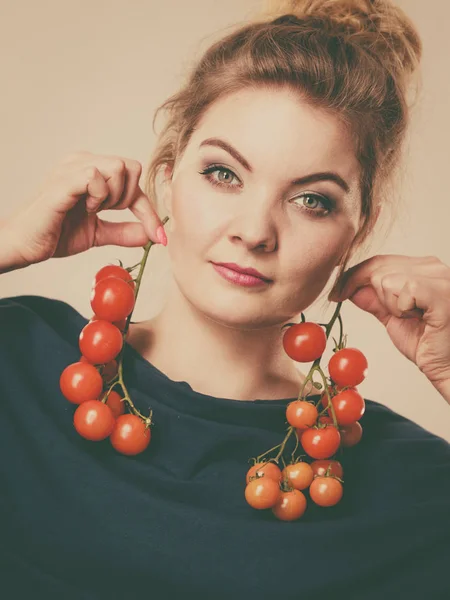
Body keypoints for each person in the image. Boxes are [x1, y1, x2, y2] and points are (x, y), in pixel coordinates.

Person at [1, 0, 449, 598]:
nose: (255, 230)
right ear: (167, 178)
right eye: (223, 173)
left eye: (312, 200)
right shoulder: (19, 359)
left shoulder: (413, 487)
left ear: (356, 236)